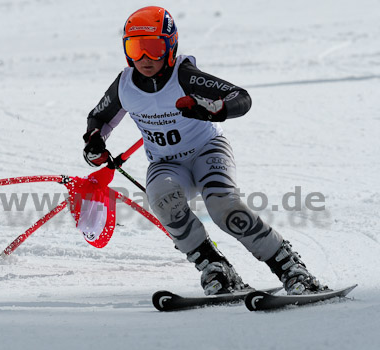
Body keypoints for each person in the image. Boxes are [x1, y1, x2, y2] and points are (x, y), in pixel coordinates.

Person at [82, 6, 327, 295]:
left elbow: (241, 98)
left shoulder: (184, 76)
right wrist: (95, 143)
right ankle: (215, 268)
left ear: (171, 46)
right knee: (163, 200)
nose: (145, 59)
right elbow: (98, 118)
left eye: (154, 48)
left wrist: (217, 109)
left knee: (223, 205)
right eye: (136, 49)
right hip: (166, 163)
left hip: (207, 150)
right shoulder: (124, 85)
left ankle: (291, 268)